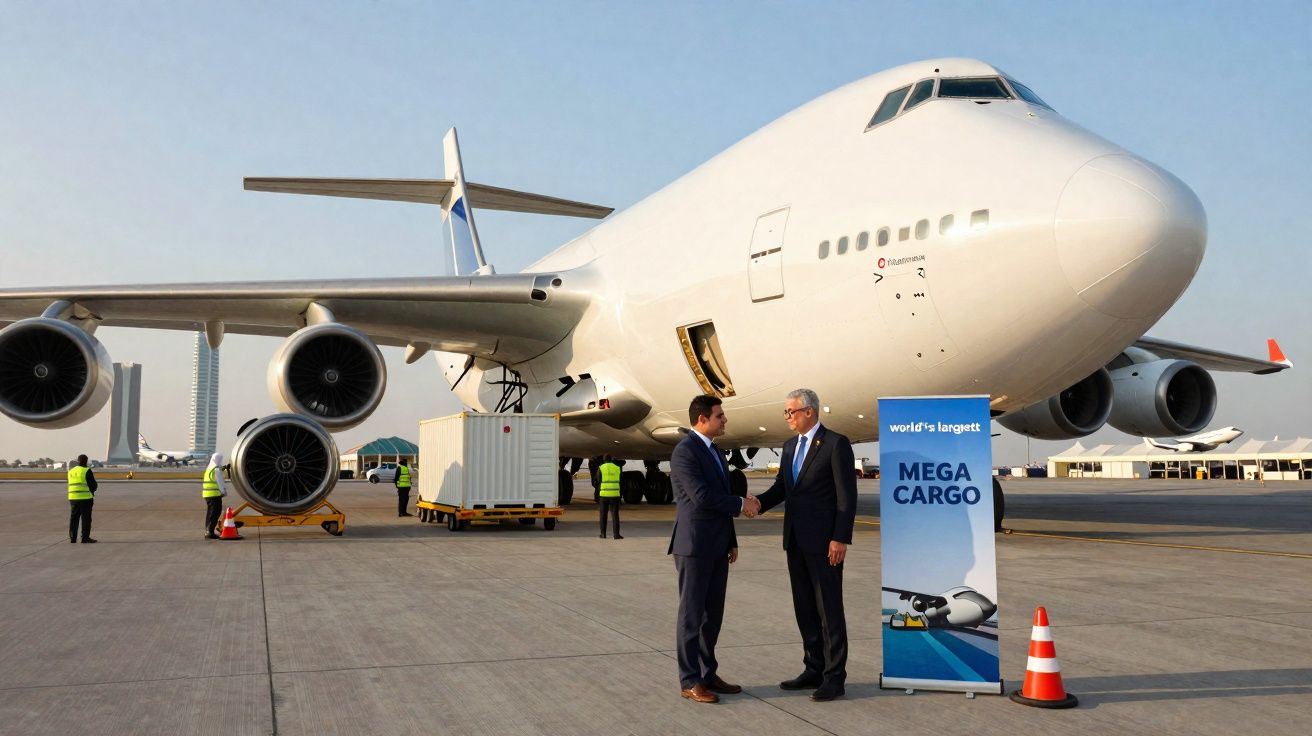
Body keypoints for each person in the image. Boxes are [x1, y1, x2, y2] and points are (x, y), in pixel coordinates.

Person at [749, 388, 857, 701]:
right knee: (805, 608)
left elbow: (846, 497)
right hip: (795, 540)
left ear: (809, 411)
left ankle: (834, 677)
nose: (787, 417)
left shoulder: (836, 444)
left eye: (791, 412)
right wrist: (756, 503)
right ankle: (813, 668)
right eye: (786, 412)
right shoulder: (789, 446)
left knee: (829, 610)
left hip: (825, 543)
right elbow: (782, 488)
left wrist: (840, 537)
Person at [667, 394, 760, 704]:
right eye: (720, 416)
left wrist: (731, 540)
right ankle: (689, 680)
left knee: (713, 616)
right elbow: (702, 497)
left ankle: (708, 674)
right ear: (702, 419)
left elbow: (720, 497)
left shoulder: (717, 453)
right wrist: (741, 504)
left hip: (717, 545)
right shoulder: (685, 452)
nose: (725, 420)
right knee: (691, 616)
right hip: (693, 546)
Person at [67, 454, 98, 544]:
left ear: (78, 461)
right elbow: (93, 485)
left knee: (74, 518)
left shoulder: (71, 471)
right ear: (86, 461)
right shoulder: (87, 470)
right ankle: (85, 538)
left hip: (72, 498)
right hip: (85, 498)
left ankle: (73, 538)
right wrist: (93, 490)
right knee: (86, 519)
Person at [202, 453, 228, 539]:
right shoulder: (216, 469)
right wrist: (223, 491)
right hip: (214, 495)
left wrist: (224, 468)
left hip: (207, 494)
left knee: (210, 512)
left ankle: (208, 530)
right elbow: (220, 481)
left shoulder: (210, 468)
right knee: (215, 513)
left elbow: (220, 470)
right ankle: (210, 532)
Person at [597, 455, 623, 539]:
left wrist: (600, 489)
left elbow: (598, 480)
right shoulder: (617, 468)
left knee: (603, 515)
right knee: (615, 515)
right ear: (611, 459)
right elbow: (621, 481)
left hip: (604, 495)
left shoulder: (601, 468)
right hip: (615, 494)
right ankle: (616, 535)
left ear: (604, 460)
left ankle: (603, 534)